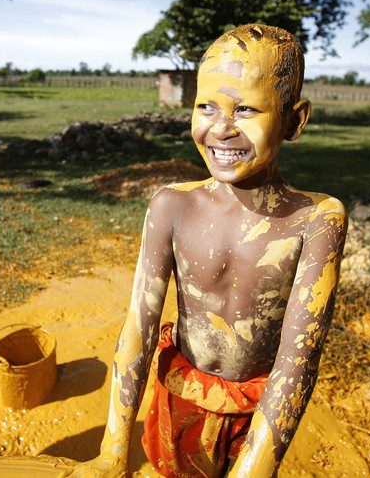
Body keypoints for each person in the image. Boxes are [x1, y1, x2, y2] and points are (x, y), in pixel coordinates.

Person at [70, 24, 348, 477]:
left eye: (245, 109)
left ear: (295, 120)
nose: (221, 128)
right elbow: (138, 328)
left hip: (260, 415)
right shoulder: (172, 206)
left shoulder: (315, 219)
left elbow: (299, 360)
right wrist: (113, 450)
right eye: (206, 106)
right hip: (182, 396)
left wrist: (255, 468)